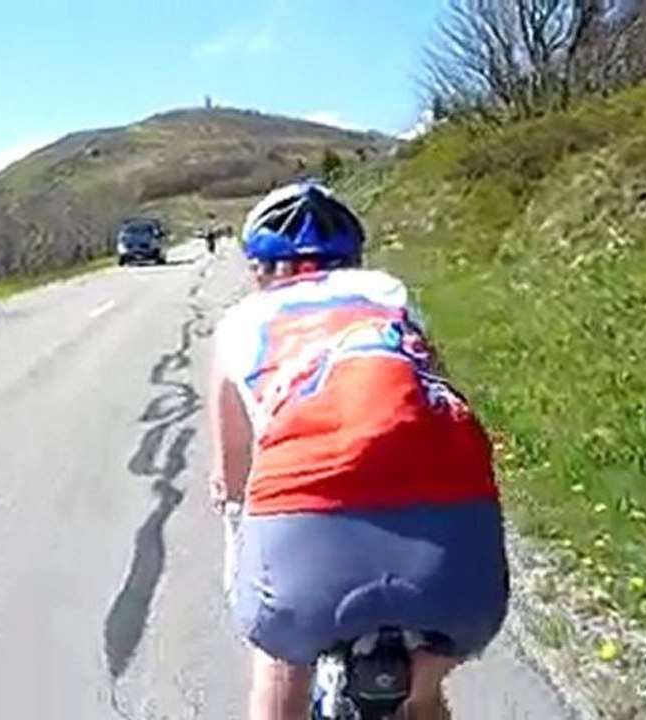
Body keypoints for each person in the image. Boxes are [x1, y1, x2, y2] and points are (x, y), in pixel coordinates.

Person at [207, 181, 510, 720]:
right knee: (425, 688)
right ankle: (419, 696)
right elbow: (436, 386)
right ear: (355, 259)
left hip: (302, 525)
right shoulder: (389, 293)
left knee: (279, 655)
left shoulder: (240, 322)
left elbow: (231, 467)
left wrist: (232, 505)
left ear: (258, 269)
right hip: (457, 534)